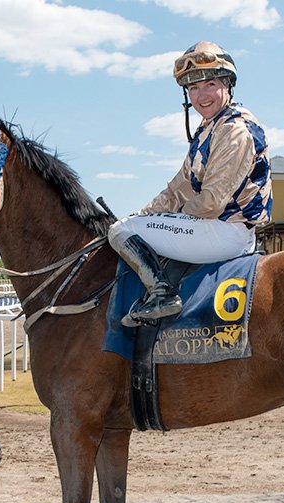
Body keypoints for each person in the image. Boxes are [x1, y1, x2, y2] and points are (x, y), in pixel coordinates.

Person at [108, 40, 272, 326]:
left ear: (227, 85)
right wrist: (142, 215)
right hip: (217, 228)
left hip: (225, 231)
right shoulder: (210, 129)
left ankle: (163, 294)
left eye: (209, 84)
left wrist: (163, 220)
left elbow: (211, 202)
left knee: (119, 232)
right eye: (193, 88)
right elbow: (177, 188)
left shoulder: (236, 130)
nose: (201, 95)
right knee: (129, 225)